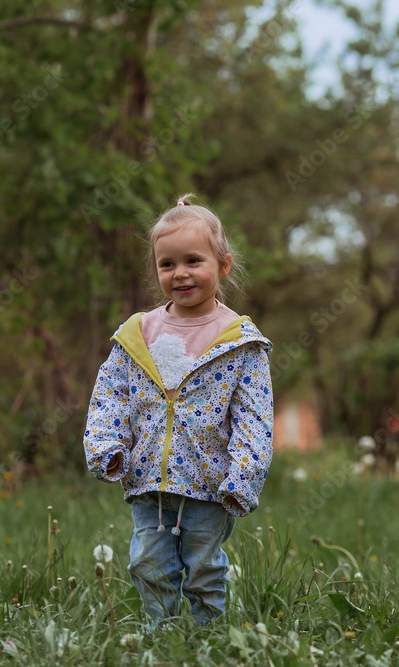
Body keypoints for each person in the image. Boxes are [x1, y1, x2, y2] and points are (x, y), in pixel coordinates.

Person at [83, 194, 273, 627]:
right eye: (167, 264)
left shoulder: (240, 341)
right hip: (147, 479)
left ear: (222, 265)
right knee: (148, 566)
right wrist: (106, 445)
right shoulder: (140, 333)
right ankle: (161, 637)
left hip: (209, 484)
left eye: (193, 260)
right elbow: (110, 392)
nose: (180, 273)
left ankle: (209, 637)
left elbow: (254, 415)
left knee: (204, 570)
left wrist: (243, 475)